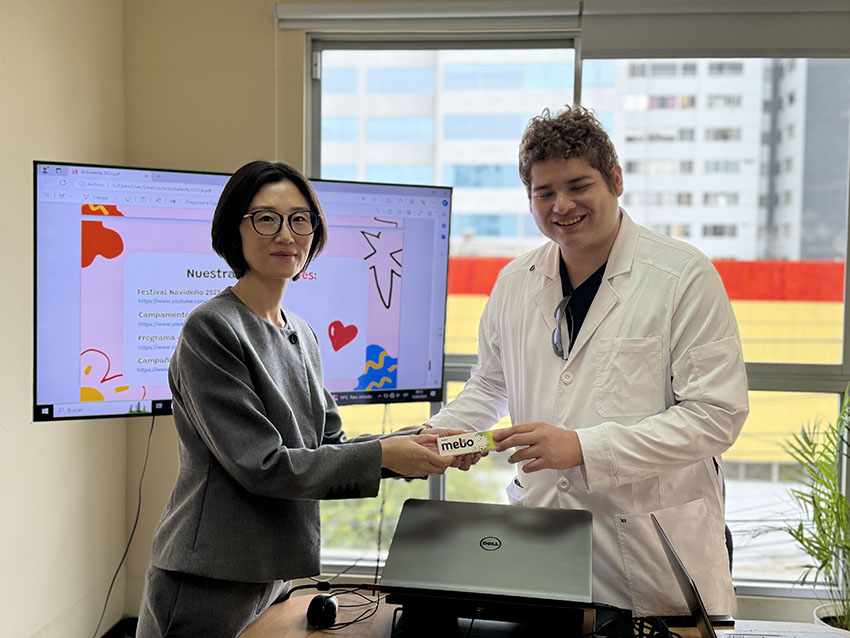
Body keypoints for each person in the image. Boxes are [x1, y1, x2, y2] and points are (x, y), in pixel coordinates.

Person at [425, 106, 749, 617]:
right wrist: (443, 434)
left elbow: (715, 415)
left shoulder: (682, 276)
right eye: (544, 193)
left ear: (615, 179)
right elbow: (490, 385)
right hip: (544, 541)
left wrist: (583, 447)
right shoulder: (514, 282)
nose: (562, 206)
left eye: (579, 186)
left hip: (653, 550)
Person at [137, 160, 468, 637]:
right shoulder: (211, 328)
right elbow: (262, 465)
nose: (286, 234)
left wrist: (417, 443)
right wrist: (385, 454)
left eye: (300, 219)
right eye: (266, 218)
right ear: (235, 228)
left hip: (271, 574)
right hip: (208, 576)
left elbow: (329, 447)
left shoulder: (303, 333)